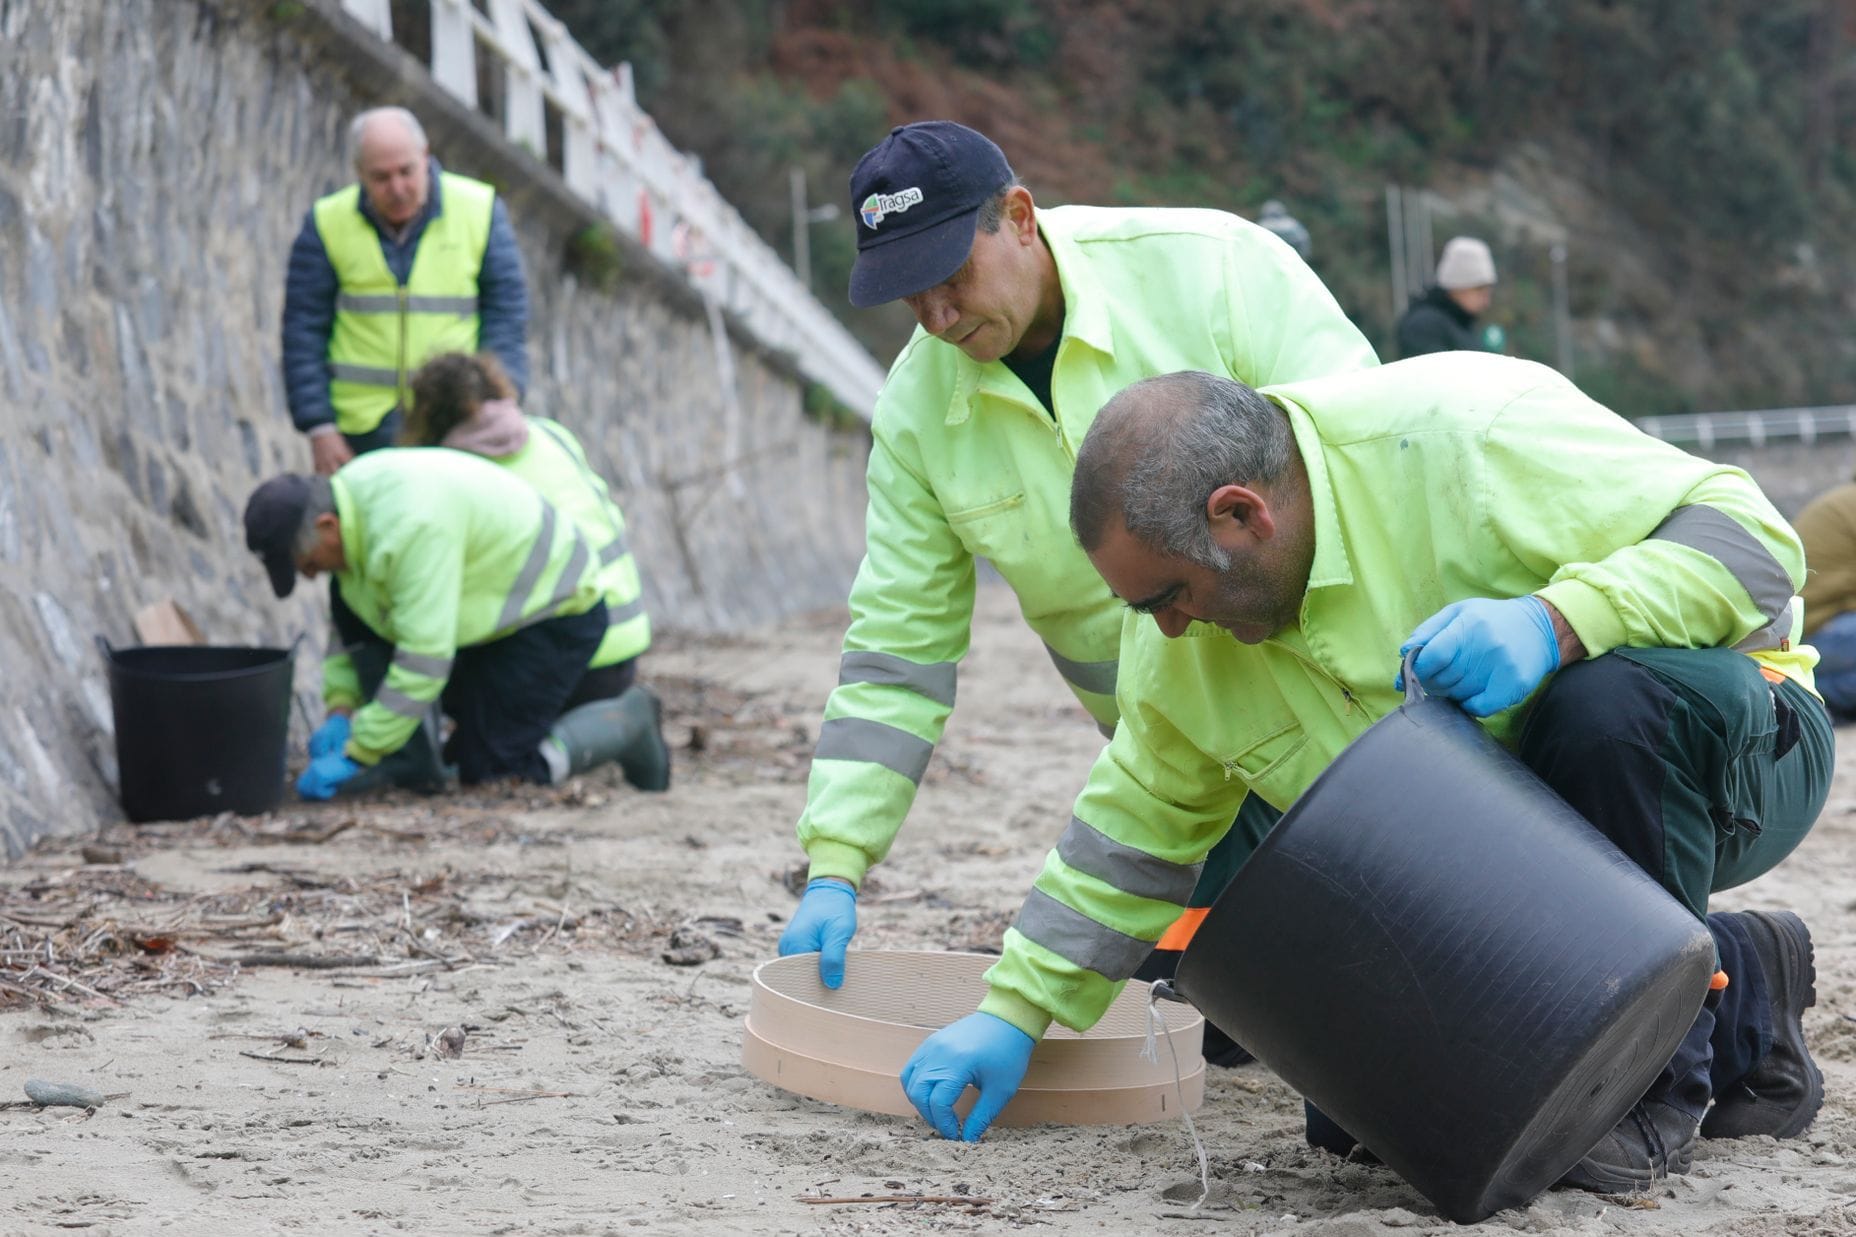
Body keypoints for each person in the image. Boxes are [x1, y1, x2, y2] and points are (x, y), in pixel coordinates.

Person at [900, 355, 1831, 1198]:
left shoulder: (1464, 436)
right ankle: (1746, 975)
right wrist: (1014, 1013)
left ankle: (1653, 1080)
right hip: (1507, 844)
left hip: (1728, 748)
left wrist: (1560, 620)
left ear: (1241, 514)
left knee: (1608, 704)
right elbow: (1129, 835)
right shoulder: (1176, 657)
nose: (1169, 628)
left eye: (1171, 594)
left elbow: (1756, 545)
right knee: (1355, 1122)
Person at [778, 121, 1379, 1014]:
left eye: (951, 277)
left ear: (1018, 216)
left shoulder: (1210, 272)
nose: (938, 318)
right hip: (1185, 761)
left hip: (1348, 716)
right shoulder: (915, 417)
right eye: (910, 298)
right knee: (1202, 1010)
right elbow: (898, 651)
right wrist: (836, 862)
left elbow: (1366, 469)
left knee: (1385, 983)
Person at [241, 449, 667, 798]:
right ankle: (424, 754)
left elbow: (423, 661)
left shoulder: (410, 527)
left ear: (327, 525)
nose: (312, 575)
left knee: (497, 773)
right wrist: (340, 709)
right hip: (490, 617)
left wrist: (358, 749)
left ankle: (629, 722)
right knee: (464, 754)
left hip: (553, 613)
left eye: (309, 564)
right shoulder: (351, 513)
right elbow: (351, 633)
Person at [396, 351, 669, 791]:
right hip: (625, 634)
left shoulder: (456, 474)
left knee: (500, 770)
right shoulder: (550, 433)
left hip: (579, 651)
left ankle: (625, 723)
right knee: (472, 749)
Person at [281, 106, 530, 474]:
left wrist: (501, 400)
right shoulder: (326, 224)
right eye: (381, 177)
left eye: (406, 172)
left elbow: (506, 316)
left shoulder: (480, 212)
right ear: (358, 172)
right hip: (359, 432)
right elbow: (303, 330)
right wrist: (319, 426)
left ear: (425, 155)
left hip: (458, 423)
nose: (397, 189)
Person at [1791, 478, 1856, 720]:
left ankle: (1806, 692)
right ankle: (1809, 693)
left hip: (1799, 629)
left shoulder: (1843, 500)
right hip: (1819, 627)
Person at [1395, 236, 1496, 358]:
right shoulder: (1424, 326)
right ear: (1458, 285)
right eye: (1479, 290)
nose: (1486, 301)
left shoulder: (1462, 324)